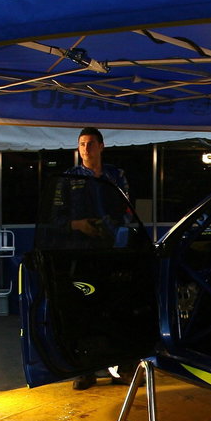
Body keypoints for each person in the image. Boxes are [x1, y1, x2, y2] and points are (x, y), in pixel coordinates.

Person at [59, 128, 131, 389]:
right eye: (81, 144)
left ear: (101, 146)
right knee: (82, 311)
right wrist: (77, 225)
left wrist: (112, 229)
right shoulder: (68, 178)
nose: (86, 149)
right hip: (79, 256)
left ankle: (121, 369)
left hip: (112, 254)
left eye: (90, 144)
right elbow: (55, 217)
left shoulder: (116, 175)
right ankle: (85, 371)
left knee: (116, 309)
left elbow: (127, 209)